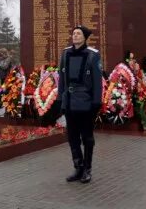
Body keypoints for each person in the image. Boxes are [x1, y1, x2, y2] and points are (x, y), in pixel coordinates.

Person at [57, 25, 102, 184]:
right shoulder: (65, 53)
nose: (75, 36)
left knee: (87, 138)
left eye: (78, 34)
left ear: (85, 37)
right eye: (74, 33)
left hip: (86, 103)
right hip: (69, 102)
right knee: (72, 137)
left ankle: (87, 170)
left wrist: (96, 102)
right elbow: (61, 78)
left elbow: (97, 81)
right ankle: (78, 167)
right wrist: (59, 99)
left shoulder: (92, 55)